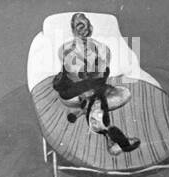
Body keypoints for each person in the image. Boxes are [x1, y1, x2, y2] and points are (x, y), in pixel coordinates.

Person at [53, 12, 140, 155]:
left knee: (121, 93)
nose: (82, 29)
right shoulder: (66, 49)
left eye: (84, 24)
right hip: (72, 91)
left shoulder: (102, 48)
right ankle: (119, 141)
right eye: (78, 25)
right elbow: (76, 75)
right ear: (73, 29)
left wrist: (94, 72)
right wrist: (92, 72)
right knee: (93, 91)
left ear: (90, 27)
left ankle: (88, 114)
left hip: (93, 89)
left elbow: (102, 73)